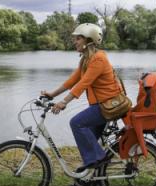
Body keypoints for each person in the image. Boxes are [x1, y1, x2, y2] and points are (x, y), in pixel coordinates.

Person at [41, 23, 121, 174]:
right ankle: (90, 177)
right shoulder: (86, 60)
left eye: (78, 38)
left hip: (108, 105)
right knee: (87, 138)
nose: (75, 42)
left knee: (77, 123)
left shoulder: (98, 59)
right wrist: (52, 94)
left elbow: (83, 83)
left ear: (89, 41)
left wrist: (64, 102)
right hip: (100, 105)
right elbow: (73, 81)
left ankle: (99, 158)